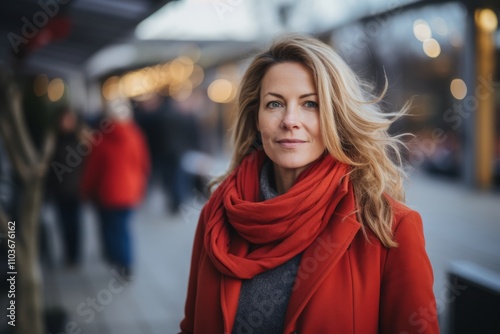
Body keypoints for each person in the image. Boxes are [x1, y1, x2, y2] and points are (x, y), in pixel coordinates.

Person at [179, 34, 439, 333]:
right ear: (256, 117)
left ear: (336, 117)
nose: (290, 120)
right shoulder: (217, 214)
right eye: (275, 103)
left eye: (310, 104)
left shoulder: (389, 226)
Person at [80, 98, 150, 278]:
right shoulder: (135, 135)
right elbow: (143, 164)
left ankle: (117, 259)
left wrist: (86, 190)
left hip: (107, 193)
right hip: (130, 191)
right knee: (124, 227)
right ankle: (125, 262)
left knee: (110, 227)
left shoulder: (101, 140)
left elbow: (93, 170)